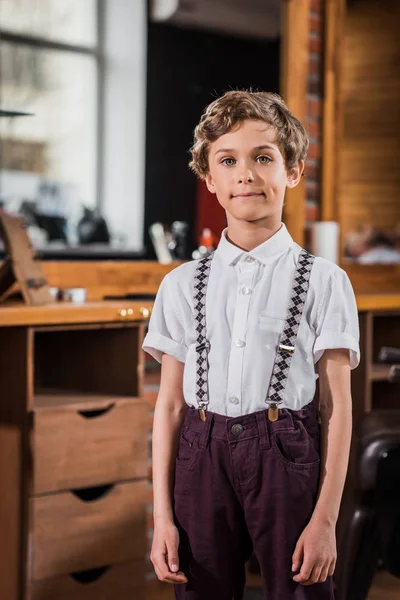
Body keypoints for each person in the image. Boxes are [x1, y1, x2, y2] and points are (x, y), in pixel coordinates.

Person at [142, 90, 360, 600]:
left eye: (264, 157)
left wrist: (326, 519)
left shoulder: (325, 282)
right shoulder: (179, 285)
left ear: (292, 171)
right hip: (200, 460)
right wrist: (162, 517)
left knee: (301, 590)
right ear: (210, 179)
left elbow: (336, 406)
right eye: (228, 160)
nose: (246, 173)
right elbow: (170, 406)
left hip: (287, 457)